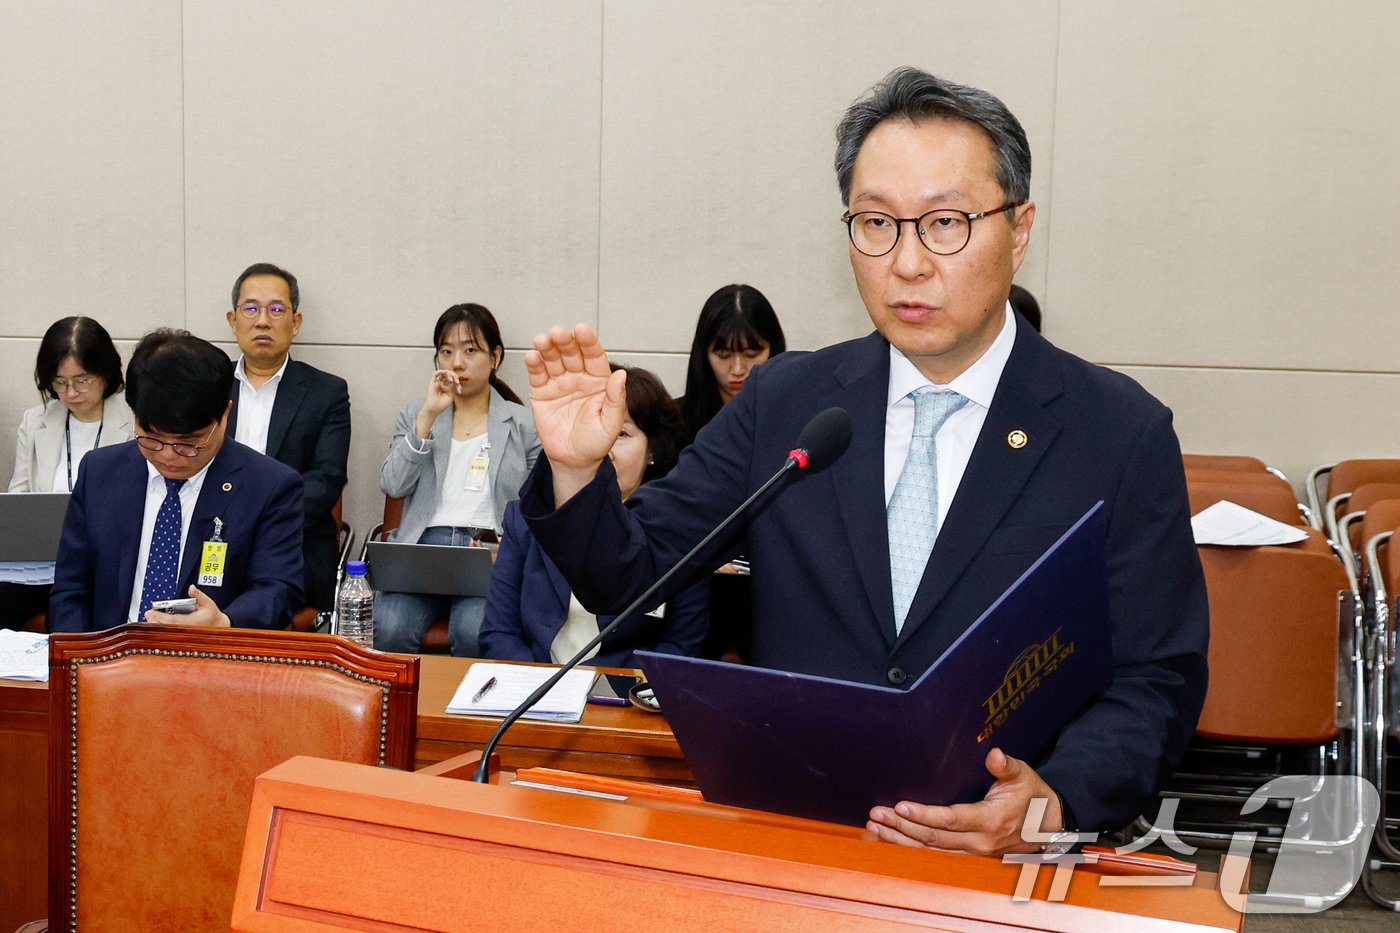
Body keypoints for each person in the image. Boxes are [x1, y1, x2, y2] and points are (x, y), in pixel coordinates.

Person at [517, 68, 1208, 857]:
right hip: (797, 843)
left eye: (945, 222)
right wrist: (576, 469)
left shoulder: (1117, 432)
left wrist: (1053, 798)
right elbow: (630, 574)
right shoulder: (789, 400)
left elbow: (1157, 677)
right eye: (877, 223)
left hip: (994, 865)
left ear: (1018, 230)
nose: (907, 262)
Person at [49, 330, 305, 631]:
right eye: (152, 439)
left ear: (225, 415)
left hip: (212, 662)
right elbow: (70, 589)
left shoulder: (270, 486)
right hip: (109, 661)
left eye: (189, 443)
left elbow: (278, 588)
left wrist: (224, 622)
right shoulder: (99, 472)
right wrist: (77, 658)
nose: (169, 456)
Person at [480, 366, 706, 667]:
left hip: (623, 697)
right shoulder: (526, 519)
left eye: (621, 434)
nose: (604, 449)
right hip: (534, 689)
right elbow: (498, 634)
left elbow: (681, 646)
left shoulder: (678, 531)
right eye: (594, 431)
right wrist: (541, 688)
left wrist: (603, 689)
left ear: (652, 448)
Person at [376, 304, 541, 656]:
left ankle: (456, 711)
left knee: (475, 630)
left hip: (488, 553)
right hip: (423, 550)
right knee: (390, 625)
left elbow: (537, 505)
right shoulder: (416, 413)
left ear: (495, 356)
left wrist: (508, 552)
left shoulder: (523, 423)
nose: (457, 363)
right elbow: (393, 484)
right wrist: (427, 418)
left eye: (470, 350)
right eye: (446, 352)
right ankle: (403, 711)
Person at [225, 262, 351, 615]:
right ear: (233, 321)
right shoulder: (210, 387)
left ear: (295, 322)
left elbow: (326, 480)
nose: (262, 320)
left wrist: (258, 522)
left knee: (258, 602)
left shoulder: (327, 392)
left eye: (276, 309)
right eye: (250, 308)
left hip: (292, 543)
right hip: (214, 540)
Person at [2, 317, 135, 629]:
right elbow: (18, 501)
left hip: (105, 568)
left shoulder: (134, 421)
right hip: (42, 569)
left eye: (82, 380)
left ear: (105, 372)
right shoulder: (36, 422)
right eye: (59, 383)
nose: (71, 393)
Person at [677, 283, 786, 446]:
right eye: (723, 355)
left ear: (773, 348)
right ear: (703, 353)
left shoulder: (795, 417)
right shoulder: (673, 422)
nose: (737, 369)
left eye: (751, 354)